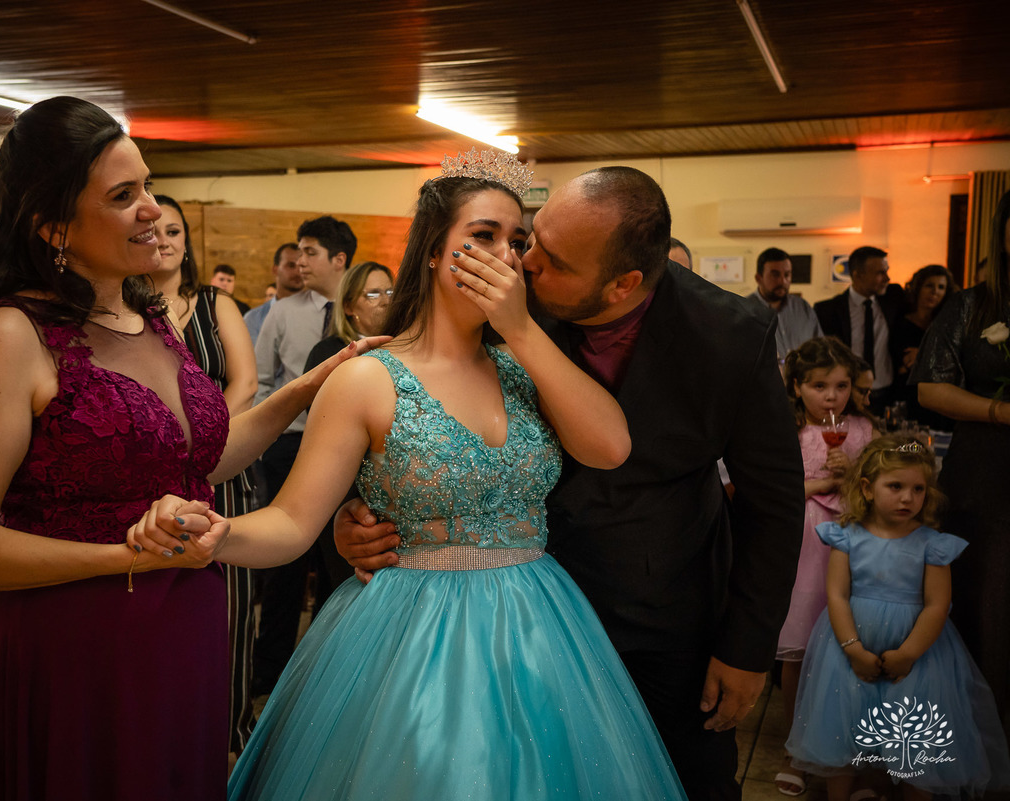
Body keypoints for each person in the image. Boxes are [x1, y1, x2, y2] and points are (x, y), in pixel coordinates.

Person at [135, 151, 686, 799]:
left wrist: (520, 329)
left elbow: (610, 446)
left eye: (517, 241)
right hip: (409, 629)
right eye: (482, 236)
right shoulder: (370, 376)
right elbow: (292, 519)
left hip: (539, 623)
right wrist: (219, 533)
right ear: (432, 251)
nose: (505, 256)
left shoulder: (527, 365)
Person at [0, 96, 379, 801]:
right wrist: (127, 556)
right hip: (79, 651)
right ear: (53, 226)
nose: (153, 211)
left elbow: (200, 463)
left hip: (184, 627)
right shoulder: (10, 336)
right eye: (124, 196)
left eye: (150, 186)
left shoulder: (148, 318)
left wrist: (310, 385)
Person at [338, 165, 805, 800]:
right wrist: (355, 514)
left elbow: (773, 502)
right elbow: (412, 407)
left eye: (549, 259)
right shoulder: (507, 294)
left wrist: (749, 647)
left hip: (663, 612)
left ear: (623, 285)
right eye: (531, 238)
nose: (521, 265)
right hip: (510, 610)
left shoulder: (729, 337)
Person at [786, 435, 1010, 800]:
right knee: (843, 728)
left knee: (915, 739)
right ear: (867, 488)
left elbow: (938, 605)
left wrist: (909, 654)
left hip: (919, 654)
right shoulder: (846, 536)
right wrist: (853, 649)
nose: (908, 497)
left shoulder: (931, 543)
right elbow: (837, 595)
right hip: (850, 644)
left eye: (918, 489)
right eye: (896, 486)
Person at [152, 194, 260, 756]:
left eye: (176, 230)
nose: (165, 240)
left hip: (224, 471)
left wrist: (207, 445)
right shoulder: (121, 310)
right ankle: (171, 741)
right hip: (151, 483)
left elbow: (244, 382)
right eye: (156, 229)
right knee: (162, 613)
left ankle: (232, 739)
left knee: (232, 614)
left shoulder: (216, 304)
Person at [913, 189, 1010, 739]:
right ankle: (976, 734)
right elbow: (931, 388)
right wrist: (999, 411)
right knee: (985, 602)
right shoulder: (972, 305)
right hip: (986, 473)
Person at [251, 215, 357, 699]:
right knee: (284, 567)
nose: (299, 260)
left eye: (310, 251)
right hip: (291, 442)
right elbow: (263, 380)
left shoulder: (364, 314)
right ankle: (270, 674)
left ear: (339, 260)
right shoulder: (283, 310)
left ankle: (325, 667)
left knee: (337, 562)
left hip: (350, 446)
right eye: (297, 251)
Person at [773, 336, 874, 796]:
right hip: (805, 542)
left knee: (843, 647)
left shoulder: (861, 430)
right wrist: (829, 479)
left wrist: (850, 474)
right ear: (796, 387)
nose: (832, 397)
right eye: (819, 386)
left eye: (841, 385)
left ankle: (845, 751)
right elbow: (779, 488)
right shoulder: (784, 429)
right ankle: (796, 748)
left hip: (851, 545)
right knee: (799, 649)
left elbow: (878, 492)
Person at [302, 261, 395, 595]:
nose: (386, 299)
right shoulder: (330, 353)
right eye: (373, 293)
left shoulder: (406, 349)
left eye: (390, 290)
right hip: (345, 495)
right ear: (350, 306)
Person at [814, 247, 904, 411]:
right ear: (857, 275)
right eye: (879, 273)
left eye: (886, 271)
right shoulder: (827, 311)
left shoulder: (894, 298)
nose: (887, 278)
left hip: (888, 395)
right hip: (847, 397)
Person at [891, 265, 956, 429]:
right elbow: (905, 362)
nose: (935, 292)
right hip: (907, 395)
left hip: (941, 396)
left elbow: (954, 360)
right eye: (929, 285)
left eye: (941, 287)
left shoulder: (948, 324)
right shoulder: (900, 322)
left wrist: (921, 355)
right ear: (918, 287)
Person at [748, 247, 823, 360]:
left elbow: (820, 348)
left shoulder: (802, 307)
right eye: (775, 275)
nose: (783, 281)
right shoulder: (745, 310)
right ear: (759, 278)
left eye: (787, 275)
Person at [243, 243, 302, 344]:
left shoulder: (319, 313)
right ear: (275, 269)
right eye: (291, 265)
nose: (297, 272)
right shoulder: (253, 318)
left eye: (301, 266)